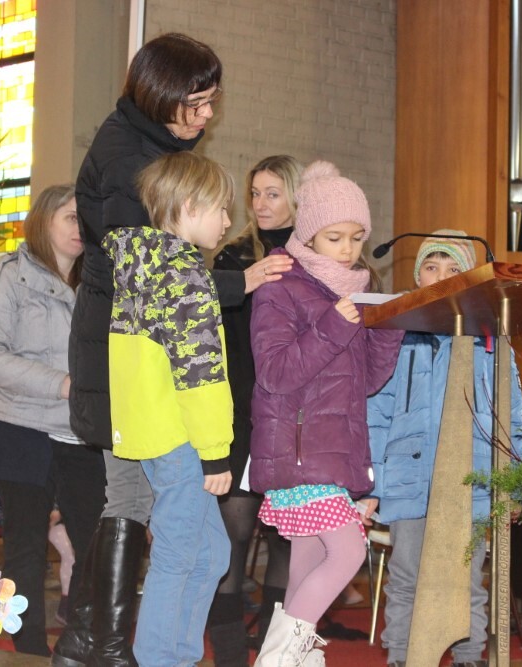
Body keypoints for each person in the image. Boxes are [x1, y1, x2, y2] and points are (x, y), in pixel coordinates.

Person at [55, 32, 292, 667]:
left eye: (213, 101)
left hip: (148, 399)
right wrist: (235, 283)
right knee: (166, 532)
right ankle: (138, 651)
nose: (208, 116)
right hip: (167, 413)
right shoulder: (129, 162)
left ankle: (101, 645)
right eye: (199, 103)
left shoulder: (147, 153)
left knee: (202, 549)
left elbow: (154, 275)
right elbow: (190, 350)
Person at [249, 160, 403, 666]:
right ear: (310, 233)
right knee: (349, 550)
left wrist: (388, 329)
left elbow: (366, 383)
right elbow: (275, 372)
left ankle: (287, 660)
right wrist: (335, 325)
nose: (348, 250)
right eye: (335, 238)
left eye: (357, 238)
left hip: (336, 448)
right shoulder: (281, 283)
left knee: (308, 559)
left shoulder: (352, 289)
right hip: (297, 449)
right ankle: (278, 658)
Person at [364, 232, 522, 667]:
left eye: (454, 269)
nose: (441, 277)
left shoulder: (491, 339)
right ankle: (402, 655)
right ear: (417, 277)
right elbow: (376, 413)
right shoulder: (396, 334)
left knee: (466, 578)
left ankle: (469, 656)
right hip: (408, 475)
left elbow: (511, 417)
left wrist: (516, 483)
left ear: (472, 279)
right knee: (407, 575)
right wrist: (372, 484)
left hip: (470, 477)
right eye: (432, 268)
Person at [104, 150, 235, 666]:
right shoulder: (184, 275)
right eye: (221, 209)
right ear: (189, 206)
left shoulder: (141, 265)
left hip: (154, 430)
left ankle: (177, 655)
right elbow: (200, 373)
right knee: (179, 555)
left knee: (212, 554)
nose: (228, 221)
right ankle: (160, 658)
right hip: (183, 436)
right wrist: (215, 451)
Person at [0, 184, 106, 657]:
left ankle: (77, 645)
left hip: (83, 433)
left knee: (98, 547)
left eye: (85, 220)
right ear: (43, 220)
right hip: (22, 428)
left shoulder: (98, 282)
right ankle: (29, 651)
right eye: (71, 217)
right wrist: (60, 383)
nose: (80, 228)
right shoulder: (9, 275)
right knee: (26, 550)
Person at [209, 155, 301, 665]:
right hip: (240, 413)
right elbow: (220, 343)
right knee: (233, 536)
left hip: (294, 418)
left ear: (296, 196)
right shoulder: (234, 256)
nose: (261, 204)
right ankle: (228, 658)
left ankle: (272, 654)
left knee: (287, 539)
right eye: (255, 193)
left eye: (273, 193)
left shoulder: (313, 257)